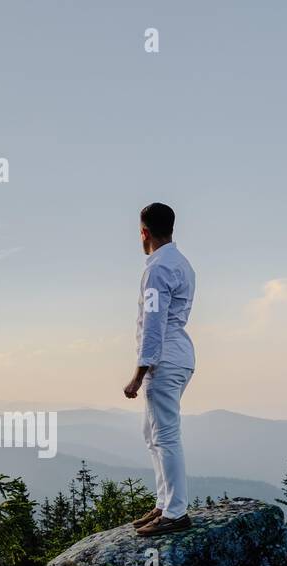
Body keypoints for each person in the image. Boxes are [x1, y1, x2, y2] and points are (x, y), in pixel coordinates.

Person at [123, 202, 196, 536]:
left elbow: (153, 323)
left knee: (165, 435)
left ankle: (175, 513)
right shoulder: (181, 263)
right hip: (179, 354)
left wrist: (139, 372)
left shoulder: (157, 269)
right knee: (152, 433)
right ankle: (164, 503)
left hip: (164, 359)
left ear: (144, 232)